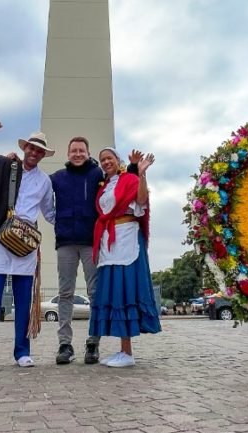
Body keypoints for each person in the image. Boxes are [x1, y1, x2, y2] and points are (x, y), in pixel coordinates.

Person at [0, 119, 55, 371]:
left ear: (43, 155)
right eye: (32, 148)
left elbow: (50, 213)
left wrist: (77, 222)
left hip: (25, 241)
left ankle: (22, 351)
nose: (34, 153)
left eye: (39, 151)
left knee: (24, 300)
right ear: (25, 148)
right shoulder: (3, 165)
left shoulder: (44, 182)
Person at [48, 137, 137, 365]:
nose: (77, 154)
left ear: (88, 153)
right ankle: (65, 344)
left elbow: (122, 179)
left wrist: (136, 168)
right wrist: (57, 222)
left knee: (94, 292)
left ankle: (92, 343)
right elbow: (41, 196)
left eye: (82, 150)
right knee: (65, 293)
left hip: (92, 242)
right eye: (73, 150)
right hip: (66, 242)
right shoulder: (56, 178)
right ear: (68, 154)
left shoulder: (98, 175)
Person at [89, 148, 161, 368]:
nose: (106, 162)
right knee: (114, 293)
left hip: (126, 237)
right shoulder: (104, 187)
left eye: (109, 158)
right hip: (109, 241)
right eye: (102, 160)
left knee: (125, 290)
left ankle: (127, 352)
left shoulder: (129, 178)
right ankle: (123, 349)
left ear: (117, 160)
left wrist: (142, 174)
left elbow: (141, 200)